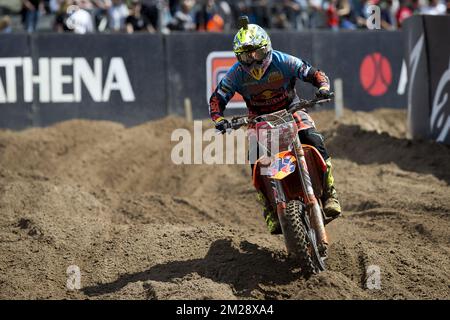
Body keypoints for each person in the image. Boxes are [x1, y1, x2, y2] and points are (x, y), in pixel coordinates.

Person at [208, 20, 342, 234]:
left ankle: (329, 193)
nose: (252, 62)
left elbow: (313, 73)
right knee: (254, 159)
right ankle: (269, 209)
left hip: (291, 109)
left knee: (313, 139)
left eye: (256, 54)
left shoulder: (283, 61)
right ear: (238, 57)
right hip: (258, 118)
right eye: (245, 57)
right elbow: (217, 99)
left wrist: (323, 87)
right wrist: (219, 119)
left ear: (266, 49)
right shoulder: (235, 74)